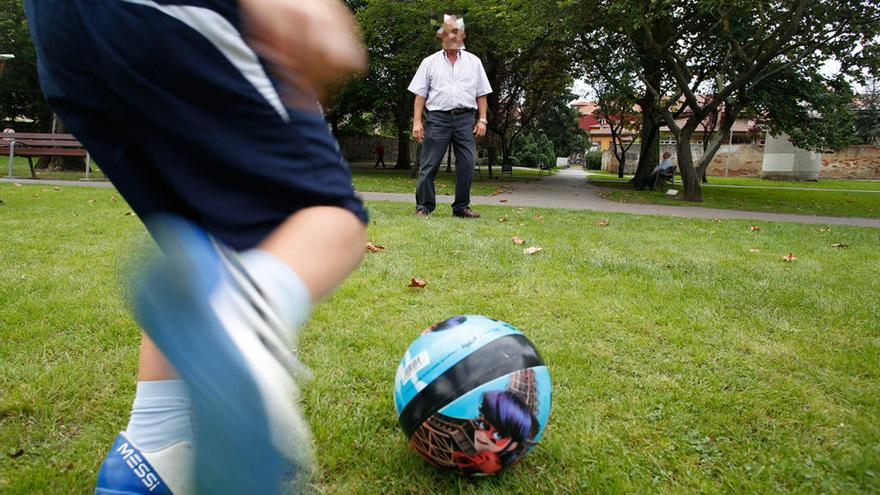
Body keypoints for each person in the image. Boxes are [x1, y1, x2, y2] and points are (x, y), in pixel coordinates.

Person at [25, 0, 367, 493]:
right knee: (330, 216)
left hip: (61, 30)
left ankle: (151, 455)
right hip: (169, 15)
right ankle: (241, 322)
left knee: (198, 240)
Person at [409, 14, 491, 218]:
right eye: (447, 34)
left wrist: (482, 120)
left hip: (465, 119)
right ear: (441, 37)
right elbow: (420, 95)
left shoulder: (474, 62)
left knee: (467, 163)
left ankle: (461, 207)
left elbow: (481, 94)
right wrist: (417, 121)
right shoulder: (429, 62)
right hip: (437, 119)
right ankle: (424, 207)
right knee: (429, 165)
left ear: (461, 36)